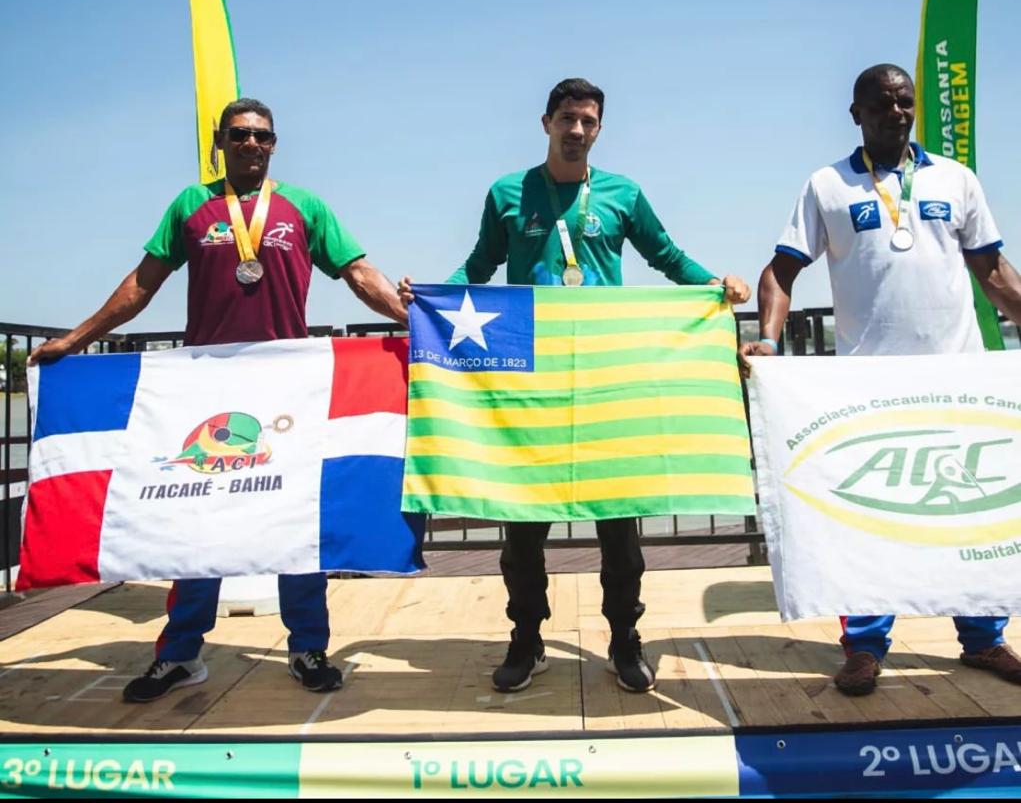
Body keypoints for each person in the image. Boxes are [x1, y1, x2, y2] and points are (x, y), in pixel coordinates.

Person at [30, 97, 407, 702]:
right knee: (194, 520)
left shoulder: (304, 206)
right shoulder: (190, 204)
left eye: (261, 136)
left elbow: (359, 273)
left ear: (274, 143)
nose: (250, 144)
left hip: (287, 386)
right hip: (205, 387)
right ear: (220, 141)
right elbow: (141, 285)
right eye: (238, 135)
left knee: (295, 517)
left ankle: (307, 646)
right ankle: (180, 654)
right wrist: (76, 339)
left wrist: (414, 320)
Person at [400, 77, 750, 694]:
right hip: (526, 380)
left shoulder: (623, 193)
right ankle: (527, 640)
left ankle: (624, 641)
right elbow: (480, 266)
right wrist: (429, 298)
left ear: (599, 128)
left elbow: (665, 257)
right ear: (546, 123)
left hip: (606, 378)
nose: (577, 130)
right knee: (522, 525)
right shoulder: (509, 192)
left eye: (588, 120)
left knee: (621, 527)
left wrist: (715, 286)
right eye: (567, 118)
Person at [741, 63, 1021, 696]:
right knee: (870, 521)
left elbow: (994, 273)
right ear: (856, 113)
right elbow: (782, 272)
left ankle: (984, 640)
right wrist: (768, 338)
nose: (897, 112)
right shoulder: (827, 185)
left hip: (959, 380)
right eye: (882, 103)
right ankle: (864, 648)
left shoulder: (956, 179)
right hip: (867, 391)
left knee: (964, 513)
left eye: (905, 102)